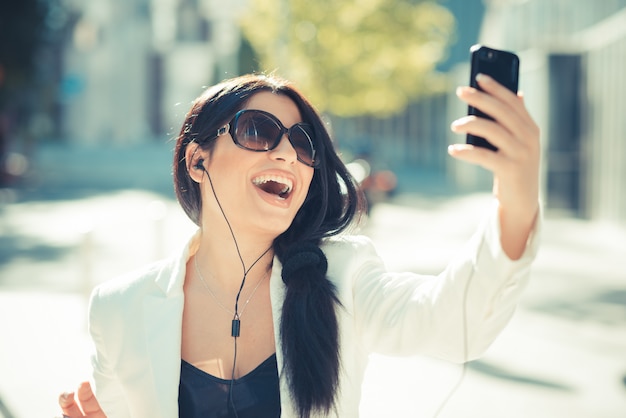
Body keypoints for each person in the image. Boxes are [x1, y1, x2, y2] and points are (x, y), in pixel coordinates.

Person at [58, 72, 540, 418]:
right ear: (197, 160)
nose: (287, 153)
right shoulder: (120, 309)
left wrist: (516, 197)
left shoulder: (344, 277)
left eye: (304, 143)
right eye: (258, 131)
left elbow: (454, 320)